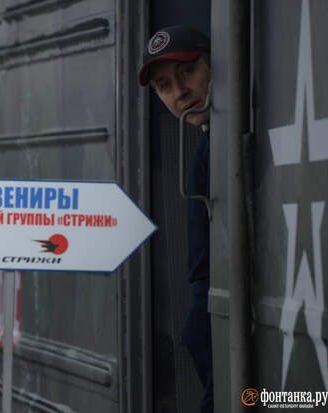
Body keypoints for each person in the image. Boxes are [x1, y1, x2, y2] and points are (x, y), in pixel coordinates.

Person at [139, 26, 213, 413]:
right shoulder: (205, 147)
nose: (179, 92)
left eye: (188, 71)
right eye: (164, 86)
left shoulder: (215, 149)